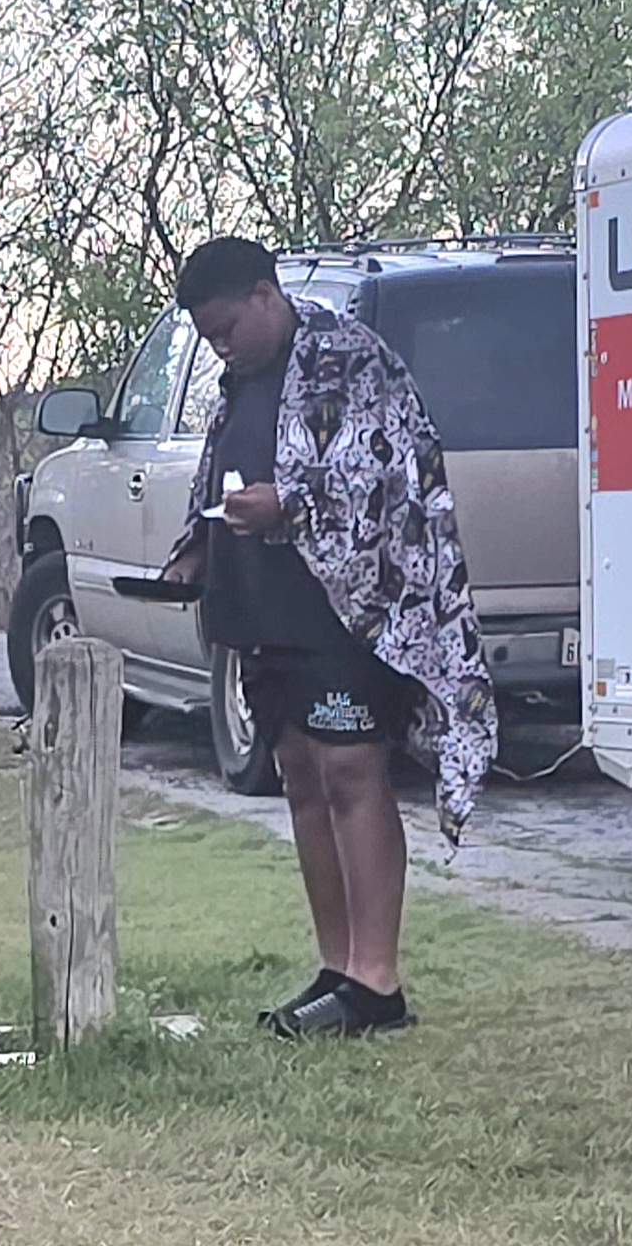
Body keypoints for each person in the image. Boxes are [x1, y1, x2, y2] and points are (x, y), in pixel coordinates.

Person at [163, 236, 497, 1039]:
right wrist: (199, 545)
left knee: (350, 770)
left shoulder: (352, 360)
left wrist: (291, 504)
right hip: (262, 609)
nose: (223, 345)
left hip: (347, 610)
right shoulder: (238, 379)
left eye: (229, 326)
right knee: (302, 777)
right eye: (209, 336)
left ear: (266, 293)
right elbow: (222, 469)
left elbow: (389, 476)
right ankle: (337, 966)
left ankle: (377, 984)